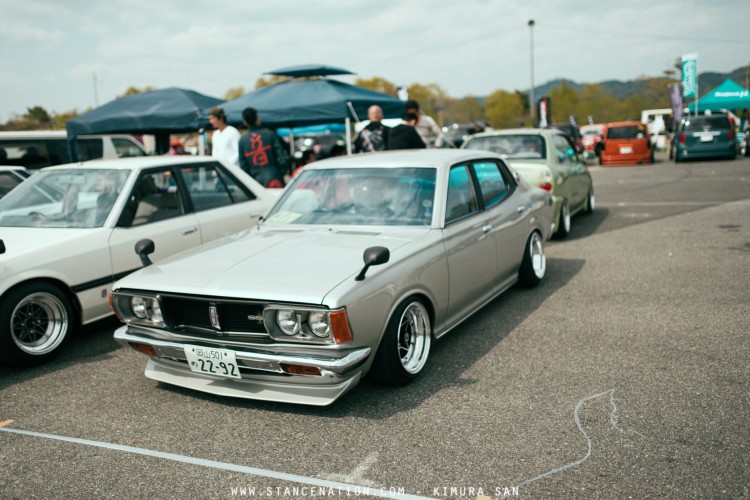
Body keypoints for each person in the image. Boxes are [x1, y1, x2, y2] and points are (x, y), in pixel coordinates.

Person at [238, 107, 290, 188]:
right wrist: (281, 172)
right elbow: (282, 157)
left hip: (255, 184)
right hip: (275, 179)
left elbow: (243, 166)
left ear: (245, 122)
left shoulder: (242, 141)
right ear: (258, 119)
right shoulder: (270, 134)